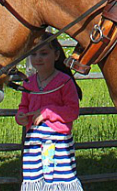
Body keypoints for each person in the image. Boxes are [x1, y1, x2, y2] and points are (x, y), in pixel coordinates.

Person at [16, 39, 83, 191]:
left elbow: (72, 111)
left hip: (58, 141)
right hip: (34, 142)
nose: (38, 58)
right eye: (34, 54)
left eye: (44, 53)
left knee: (60, 179)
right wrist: (20, 116)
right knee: (34, 179)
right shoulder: (29, 83)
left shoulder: (65, 82)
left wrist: (47, 112)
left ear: (56, 55)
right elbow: (24, 106)